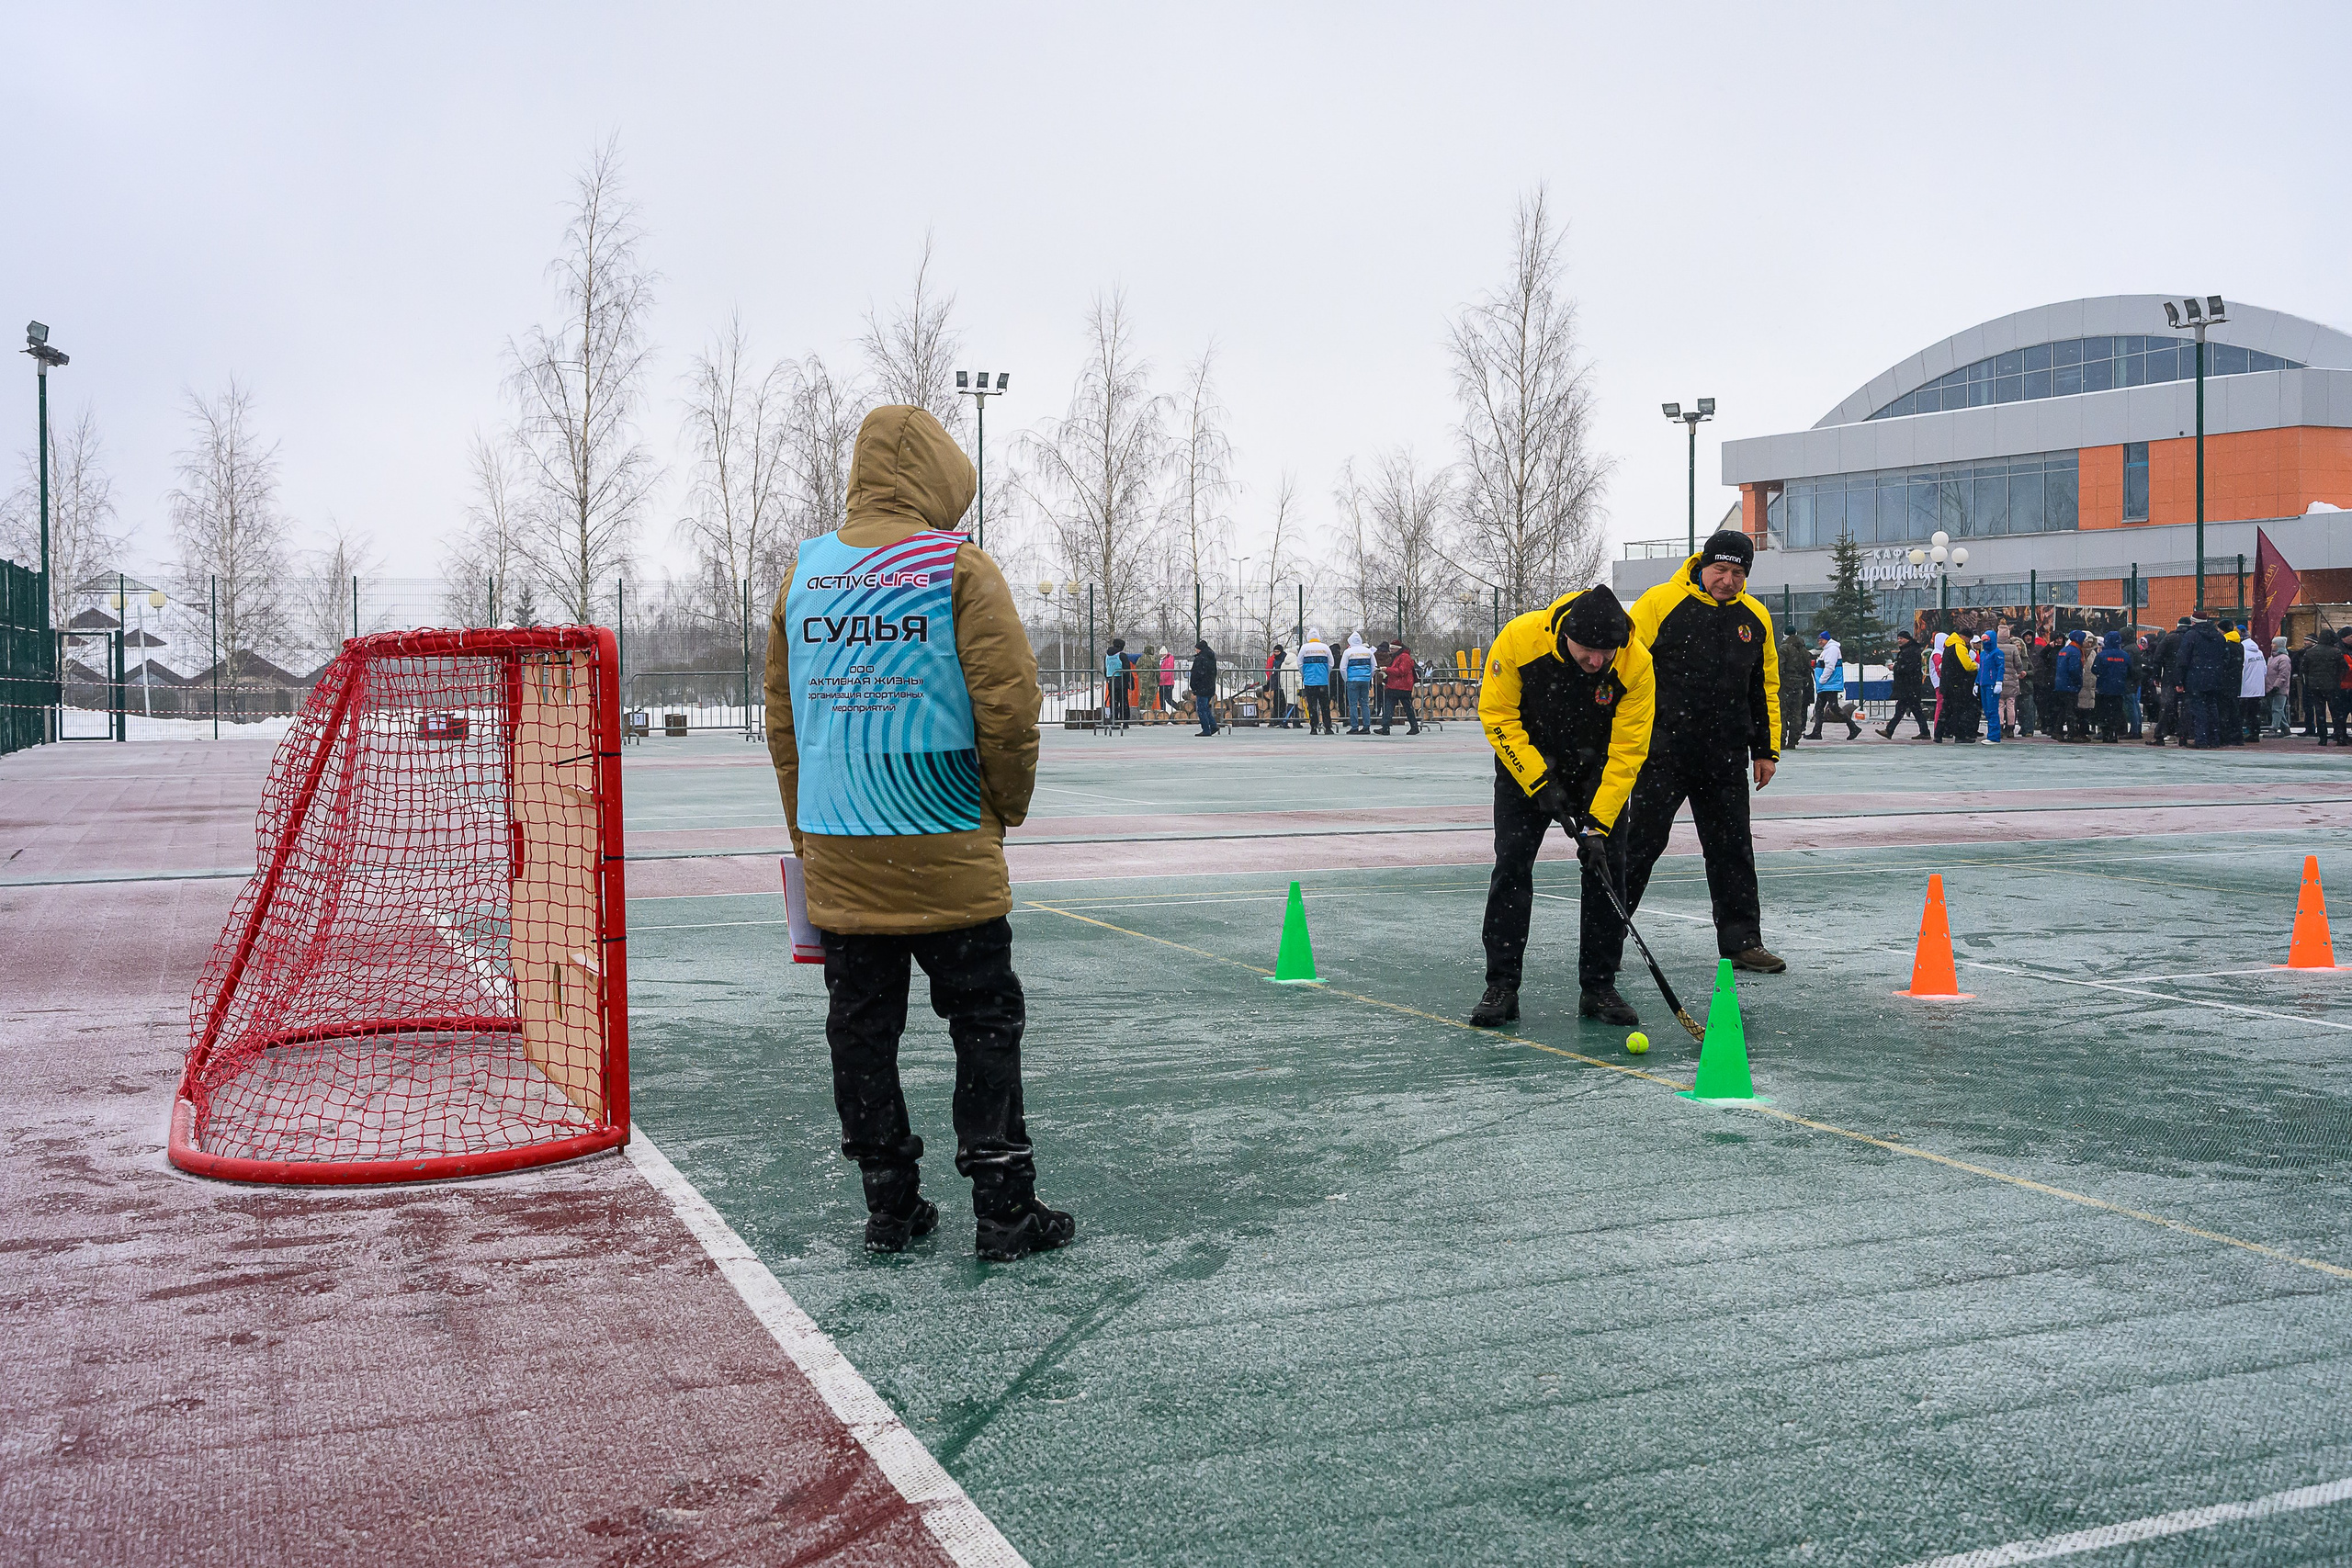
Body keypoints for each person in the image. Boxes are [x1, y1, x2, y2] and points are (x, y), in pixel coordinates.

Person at [764, 403, 1069, 1262]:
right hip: (947, 837)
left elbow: (785, 727)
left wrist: (809, 834)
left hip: (841, 842)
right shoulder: (958, 568)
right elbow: (1009, 707)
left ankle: (890, 1206)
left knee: (861, 1030)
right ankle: (1004, 1207)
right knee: (984, 1019)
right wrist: (1003, 806)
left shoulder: (805, 575)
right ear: (941, 479)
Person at [1471, 584, 1657, 1028]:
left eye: (1607, 651)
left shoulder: (1636, 663)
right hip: (1525, 768)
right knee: (1512, 867)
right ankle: (1502, 986)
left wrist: (1597, 826)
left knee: (1606, 868)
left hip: (1598, 772)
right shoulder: (1519, 640)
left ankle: (1599, 987)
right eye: (1588, 650)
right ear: (1567, 634)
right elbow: (1498, 716)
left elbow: (1629, 750)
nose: (1597, 660)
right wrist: (1539, 782)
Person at [1622, 529, 1787, 977]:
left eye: (1738, 573)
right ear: (1702, 565)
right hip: (1662, 753)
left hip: (1725, 756)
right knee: (1640, 844)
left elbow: (1763, 687)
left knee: (1733, 850)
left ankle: (1743, 943)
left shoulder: (1756, 617)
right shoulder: (1660, 602)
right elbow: (1625, 671)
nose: (1728, 581)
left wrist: (1765, 750)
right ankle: (1606, 937)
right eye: (1720, 569)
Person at [2183, 612, 2233, 749]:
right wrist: (2217, 671)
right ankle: (2214, 739)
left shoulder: (2191, 636)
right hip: (2214, 678)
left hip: (2196, 678)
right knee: (2212, 707)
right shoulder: (2219, 637)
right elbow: (2225, 658)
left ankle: (2201, 740)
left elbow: (2183, 659)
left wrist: (2180, 680)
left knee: (2198, 709)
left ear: (2193, 622)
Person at [1881, 630, 1929, 739]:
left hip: (1909, 686)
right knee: (1913, 709)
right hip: (1909, 686)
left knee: (1903, 709)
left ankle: (1889, 730)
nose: (1899, 640)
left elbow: (1908, 668)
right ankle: (1924, 731)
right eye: (1898, 638)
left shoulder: (1910, 651)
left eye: (1901, 638)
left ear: (1907, 639)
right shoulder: (1910, 650)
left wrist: (1895, 667)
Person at [1808, 630, 1855, 739]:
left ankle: (1853, 727)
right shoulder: (1827, 650)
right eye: (1818, 640)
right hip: (1827, 685)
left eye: (1821, 640)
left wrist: (1822, 680)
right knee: (1819, 708)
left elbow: (1830, 667)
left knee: (1833, 707)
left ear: (1827, 640)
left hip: (1829, 684)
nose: (1819, 642)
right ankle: (1817, 732)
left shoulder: (1832, 649)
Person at [1939, 630, 1981, 742]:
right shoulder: (1959, 646)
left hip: (1948, 682)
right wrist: (1977, 666)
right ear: (1964, 637)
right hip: (1957, 683)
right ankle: (1960, 736)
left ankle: (1939, 734)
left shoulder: (1949, 645)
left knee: (1946, 709)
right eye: (1969, 639)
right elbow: (1967, 665)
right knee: (1959, 710)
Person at [2092, 629, 2132, 742]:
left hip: (2104, 688)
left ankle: (2106, 733)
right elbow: (2130, 671)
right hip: (2119, 689)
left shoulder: (2102, 655)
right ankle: (2114, 733)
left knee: (2104, 711)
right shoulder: (2125, 655)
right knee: (2116, 711)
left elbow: (2094, 669)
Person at [2304, 631, 2342, 742]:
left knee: (2319, 711)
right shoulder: (2336, 652)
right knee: (2335, 711)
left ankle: (2322, 737)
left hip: (2315, 686)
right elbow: (2343, 668)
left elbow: (2304, 669)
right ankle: (2338, 735)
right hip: (2332, 686)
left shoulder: (2310, 652)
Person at [1376, 638, 1420, 734]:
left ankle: (1386, 727)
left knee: (1390, 706)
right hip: (1401, 686)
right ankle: (1413, 726)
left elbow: (1401, 671)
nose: (1390, 650)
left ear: (1398, 649)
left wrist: (1387, 669)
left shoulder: (1403, 657)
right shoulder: (1402, 656)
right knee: (1406, 707)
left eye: (1392, 648)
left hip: (1398, 686)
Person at [1296, 627, 1334, 735]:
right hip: (1322, 681)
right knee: (1325, 706)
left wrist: (1305, 674)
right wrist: (1325, 673)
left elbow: (1300, 664)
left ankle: (1313, 727)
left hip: (1310, 681)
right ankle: (1328, 727)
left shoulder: (1304, 648)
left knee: (1312, 705)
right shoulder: (1325, 648)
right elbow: (1331, 663)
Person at [1782, 630, 1815, 750]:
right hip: (1799, 683)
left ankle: (1781, 740)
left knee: (1782, 712)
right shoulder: (1804, 650)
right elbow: (1808, 668)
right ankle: (1794, 739)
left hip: (1785, 683)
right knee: (1796, 713)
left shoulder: (1784, 649)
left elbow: (1780, 667)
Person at [1340, 631, 1377, 734]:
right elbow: (1374, 667)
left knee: (1353, 704)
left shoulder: (1348, 652)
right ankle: (1366, 727)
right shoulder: (1368, 652)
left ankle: (1354, 727)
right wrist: (1369, 677)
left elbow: (1343, 668)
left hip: (1352, 680)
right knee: (1364, 703)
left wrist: (1347, 679)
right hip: (1365, 680)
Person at [2052, 632, 2085, 741]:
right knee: (2071, 710)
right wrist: (2078, 682)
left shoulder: (2064, 650)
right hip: (2070, 685)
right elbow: (2074, 669)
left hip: (2060, 684)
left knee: (2063, 709)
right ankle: (2072, 733)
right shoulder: (2075, 651)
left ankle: (2057, 731)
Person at [2239, 624, 2268, 745]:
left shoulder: (2243, 653)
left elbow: (2241, 671)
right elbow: (2265, 670)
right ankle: (2255, 733)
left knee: (2242, 713)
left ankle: (2242, 733)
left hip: (2245, 688)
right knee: (2254, 713)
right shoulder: (2259, 652)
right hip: (2258, 688)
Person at [1976, 628, 2005, 744]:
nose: (1985, 642)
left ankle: (1994, 736)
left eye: (1987, 640)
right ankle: (1992, 734)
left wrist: (1999, 682)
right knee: (1988, 710)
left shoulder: (1997, 653)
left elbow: (2000, 668)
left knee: (1992, 710)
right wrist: (1977, 682)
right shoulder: (1983, 654)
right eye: (1983, 640)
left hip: (1992, 684)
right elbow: (1981, 669)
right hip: (1984, 684)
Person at [1190, 637, 1220, 735]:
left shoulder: (1200, 659)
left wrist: (1194, 686)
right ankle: (1213, 725)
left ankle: (1206, 729)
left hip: (1202, 687)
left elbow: (1196, 674)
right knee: (1205, 708)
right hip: (1210, 686)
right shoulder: (1211, 658)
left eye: (1196, 648)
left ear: (1200, 649)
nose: (1196, 650)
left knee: (1201, 709)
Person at [2267, 636, 2292, 738]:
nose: (2272, 645)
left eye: (2274, 644)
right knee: (2278, 709)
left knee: (2277, 708)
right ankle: (2285, 728)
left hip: (2280, 688)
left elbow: (2283, 675)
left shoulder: (2284, 659)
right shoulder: (2272, 658)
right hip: (2270, 687)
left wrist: (2276, 686)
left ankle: (2274, 728)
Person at [1103, 637, 1130, 729]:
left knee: (1113, 702)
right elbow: (1127, 669)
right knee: (1124, 702)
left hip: (1111, 681)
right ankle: (1125, 722)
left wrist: (1108, 678)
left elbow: (1105, 669)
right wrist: (1130, 681)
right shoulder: (1122, 655)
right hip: (1121, 681)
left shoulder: (1107, 656)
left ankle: (1114, 720)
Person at [1159, 646, 1177, 716]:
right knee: (1162, 699)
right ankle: (1163, 713)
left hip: (1167, 683)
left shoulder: (1168, 660)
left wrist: (1160, 678)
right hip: (1163, 683)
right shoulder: (1165, 660)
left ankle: (1178, 708)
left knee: (1168, 699)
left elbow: (1167, 672)